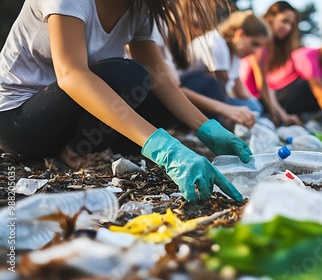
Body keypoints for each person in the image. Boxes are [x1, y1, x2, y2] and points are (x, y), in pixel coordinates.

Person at [0, 0, 251, 203]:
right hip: (20, 119)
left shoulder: (139, 7)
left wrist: (206, 127)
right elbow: (72, 75)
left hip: (68, 118)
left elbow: (159, 77)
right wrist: (166, 149)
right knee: (129, 76)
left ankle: (83, 148)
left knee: (161, 100)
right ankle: (78, 153)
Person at [183, 10, 268, 117]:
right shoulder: (217, 42)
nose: (255, 51)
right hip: (188, 89)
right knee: (217, 86)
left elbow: (239, 90)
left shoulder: (235, 52)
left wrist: (258, 104)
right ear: (240, 34)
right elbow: (220, 87)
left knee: (255, 107)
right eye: (254, 44)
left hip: (204, 93)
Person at [240, 1, 302, 126]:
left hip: (255, 98)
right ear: (270, 17)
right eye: (284, 21)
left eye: (291, 24)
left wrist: (282, 115)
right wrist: (278, 115)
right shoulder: (261, 44)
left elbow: (267, 88)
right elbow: (262, 87)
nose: (288, 28)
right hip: (246, 97)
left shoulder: (270, 47)